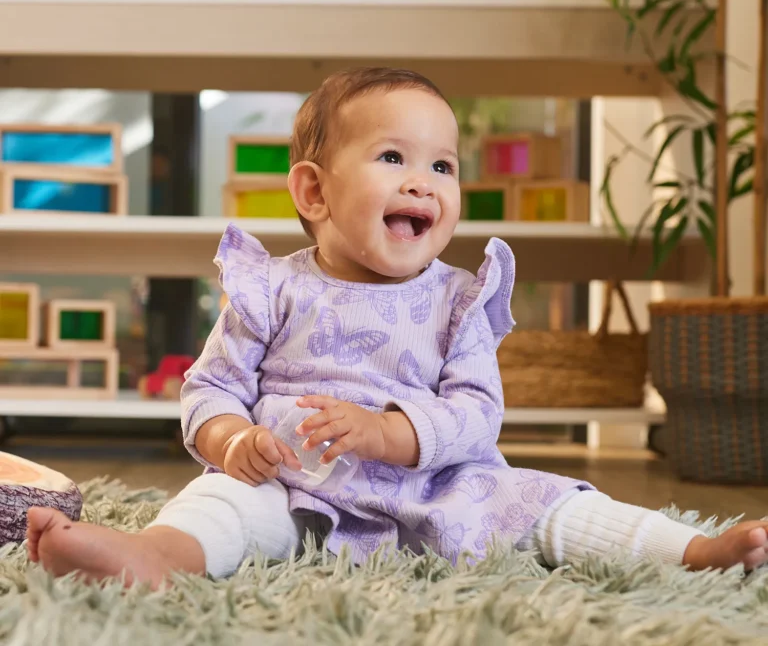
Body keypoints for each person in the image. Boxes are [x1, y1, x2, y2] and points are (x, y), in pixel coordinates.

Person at [26, 68, 768, 587]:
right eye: (393, 157)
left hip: (440, 488)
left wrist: (388, 434)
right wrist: (233, 441)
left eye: (442, 166)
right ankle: (151, 556)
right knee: (222, 502)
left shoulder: (458, 301)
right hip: (297, 485)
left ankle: (694, 551)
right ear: (314, 192)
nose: (424, 182)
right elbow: (211, 388)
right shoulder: (271, 288)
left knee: (553, 507)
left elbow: (478, 416)